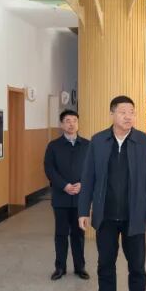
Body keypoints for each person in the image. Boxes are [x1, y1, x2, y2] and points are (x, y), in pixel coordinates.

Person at [78, 95, 146, 291]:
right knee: (105, 265)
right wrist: (83, 210)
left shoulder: (144, 142)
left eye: (131, 112)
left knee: (137, 269)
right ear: (112, 114)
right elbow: (88, 178)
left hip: (135, 216)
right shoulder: (98, 141)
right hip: (105, 217)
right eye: (123, 112)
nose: (128, 116)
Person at [43, 109, 90, 281]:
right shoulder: (53, 146)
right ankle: (60, 267)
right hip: (61, 197)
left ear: (78, 123)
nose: (71, 124)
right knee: (61, 234)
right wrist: (64, 185)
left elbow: (92, 169)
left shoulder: (87, 145)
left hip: (80, 197)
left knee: (79, 234)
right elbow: (49, 169)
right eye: (67, 121)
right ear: (62, 125)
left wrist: (82, 184)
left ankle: (80, 267)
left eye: (74, 120)